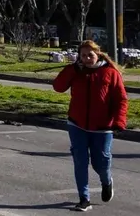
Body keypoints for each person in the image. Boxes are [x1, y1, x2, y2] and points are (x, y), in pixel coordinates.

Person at [52, 40, 128, 211]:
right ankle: (84, 199)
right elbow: (58, 87)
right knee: (80, 161)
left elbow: (121, 99)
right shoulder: (76, 71)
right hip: (77, 124)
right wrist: (72, 69)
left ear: (98, 54)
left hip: (102, 127)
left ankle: (106, 181)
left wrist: (119, 121)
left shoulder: (110, 73)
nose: (87, 59)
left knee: (100, 162)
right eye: (83, 56)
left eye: (90, 55)